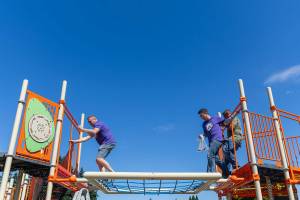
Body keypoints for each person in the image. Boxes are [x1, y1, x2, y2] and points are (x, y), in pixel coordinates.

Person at [198, 108, 227, 177]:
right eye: (200, 117)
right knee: (216, 159)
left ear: (206, 113)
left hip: (218, 139)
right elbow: (205, 133)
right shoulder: (204, 124)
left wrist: (221, 117)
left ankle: (210, 175)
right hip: (211, 142)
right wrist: (202, 135)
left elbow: (224, 122)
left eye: (201, 116)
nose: (201, 118)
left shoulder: (215, 118)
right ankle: (227, 172)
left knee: (210, 155)